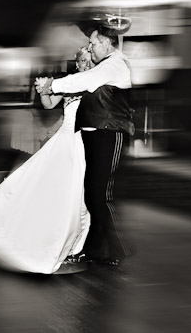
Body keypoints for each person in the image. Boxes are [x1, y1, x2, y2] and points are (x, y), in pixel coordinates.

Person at [0, 47, 93, 274]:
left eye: (90, 62)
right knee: (46, 188)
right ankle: (62, 245)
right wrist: (43, 89)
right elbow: (49, 104)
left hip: (84, 142)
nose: (87, 66)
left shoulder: (94, 82)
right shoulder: (69, 82)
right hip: (65, 142)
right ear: (77, 63)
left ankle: (75, 247)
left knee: (79, 195)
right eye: (83, 62)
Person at [38, 27, 133, 266]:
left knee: (100, 196)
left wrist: (52, 84)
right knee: (92, 195)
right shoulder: (106, 65)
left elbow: (86, 80)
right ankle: (95, 250)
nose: (90, 48)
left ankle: (117, 248)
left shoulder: (116, 64)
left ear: (105, 43)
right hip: (93, 136)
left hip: (109, 134)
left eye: (92, 44)